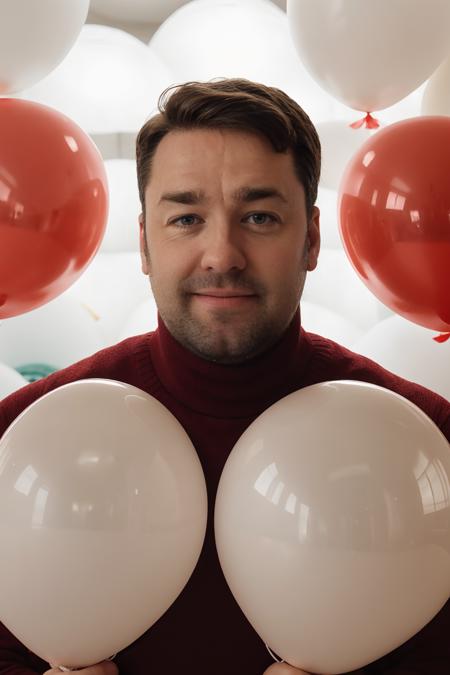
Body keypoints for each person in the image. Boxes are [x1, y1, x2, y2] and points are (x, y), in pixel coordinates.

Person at [0, 79, 449, 675]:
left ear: (311, 239)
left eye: (260, 216)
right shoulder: (17, 443)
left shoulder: (430, 452)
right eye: (186, 218)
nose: (222, 254)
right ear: (143, 244)